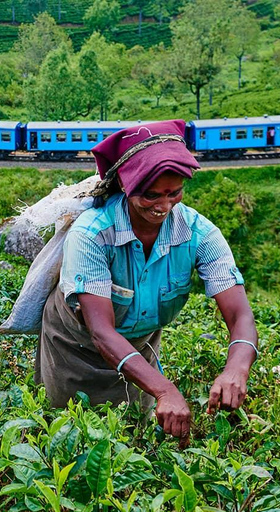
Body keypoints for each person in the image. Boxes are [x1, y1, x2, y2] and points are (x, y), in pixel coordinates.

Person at [36, 120, 258, 447]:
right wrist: (165, 389)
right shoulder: (92, 235)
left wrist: (236, 370)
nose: (164, 206)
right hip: (74, 350)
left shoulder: (200, 233)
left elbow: (240, 316)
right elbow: (102, 331)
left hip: (139, 347)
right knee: (69, 438)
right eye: (150, 195)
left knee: (130, 440)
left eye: (174, 192)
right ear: (126, 186)